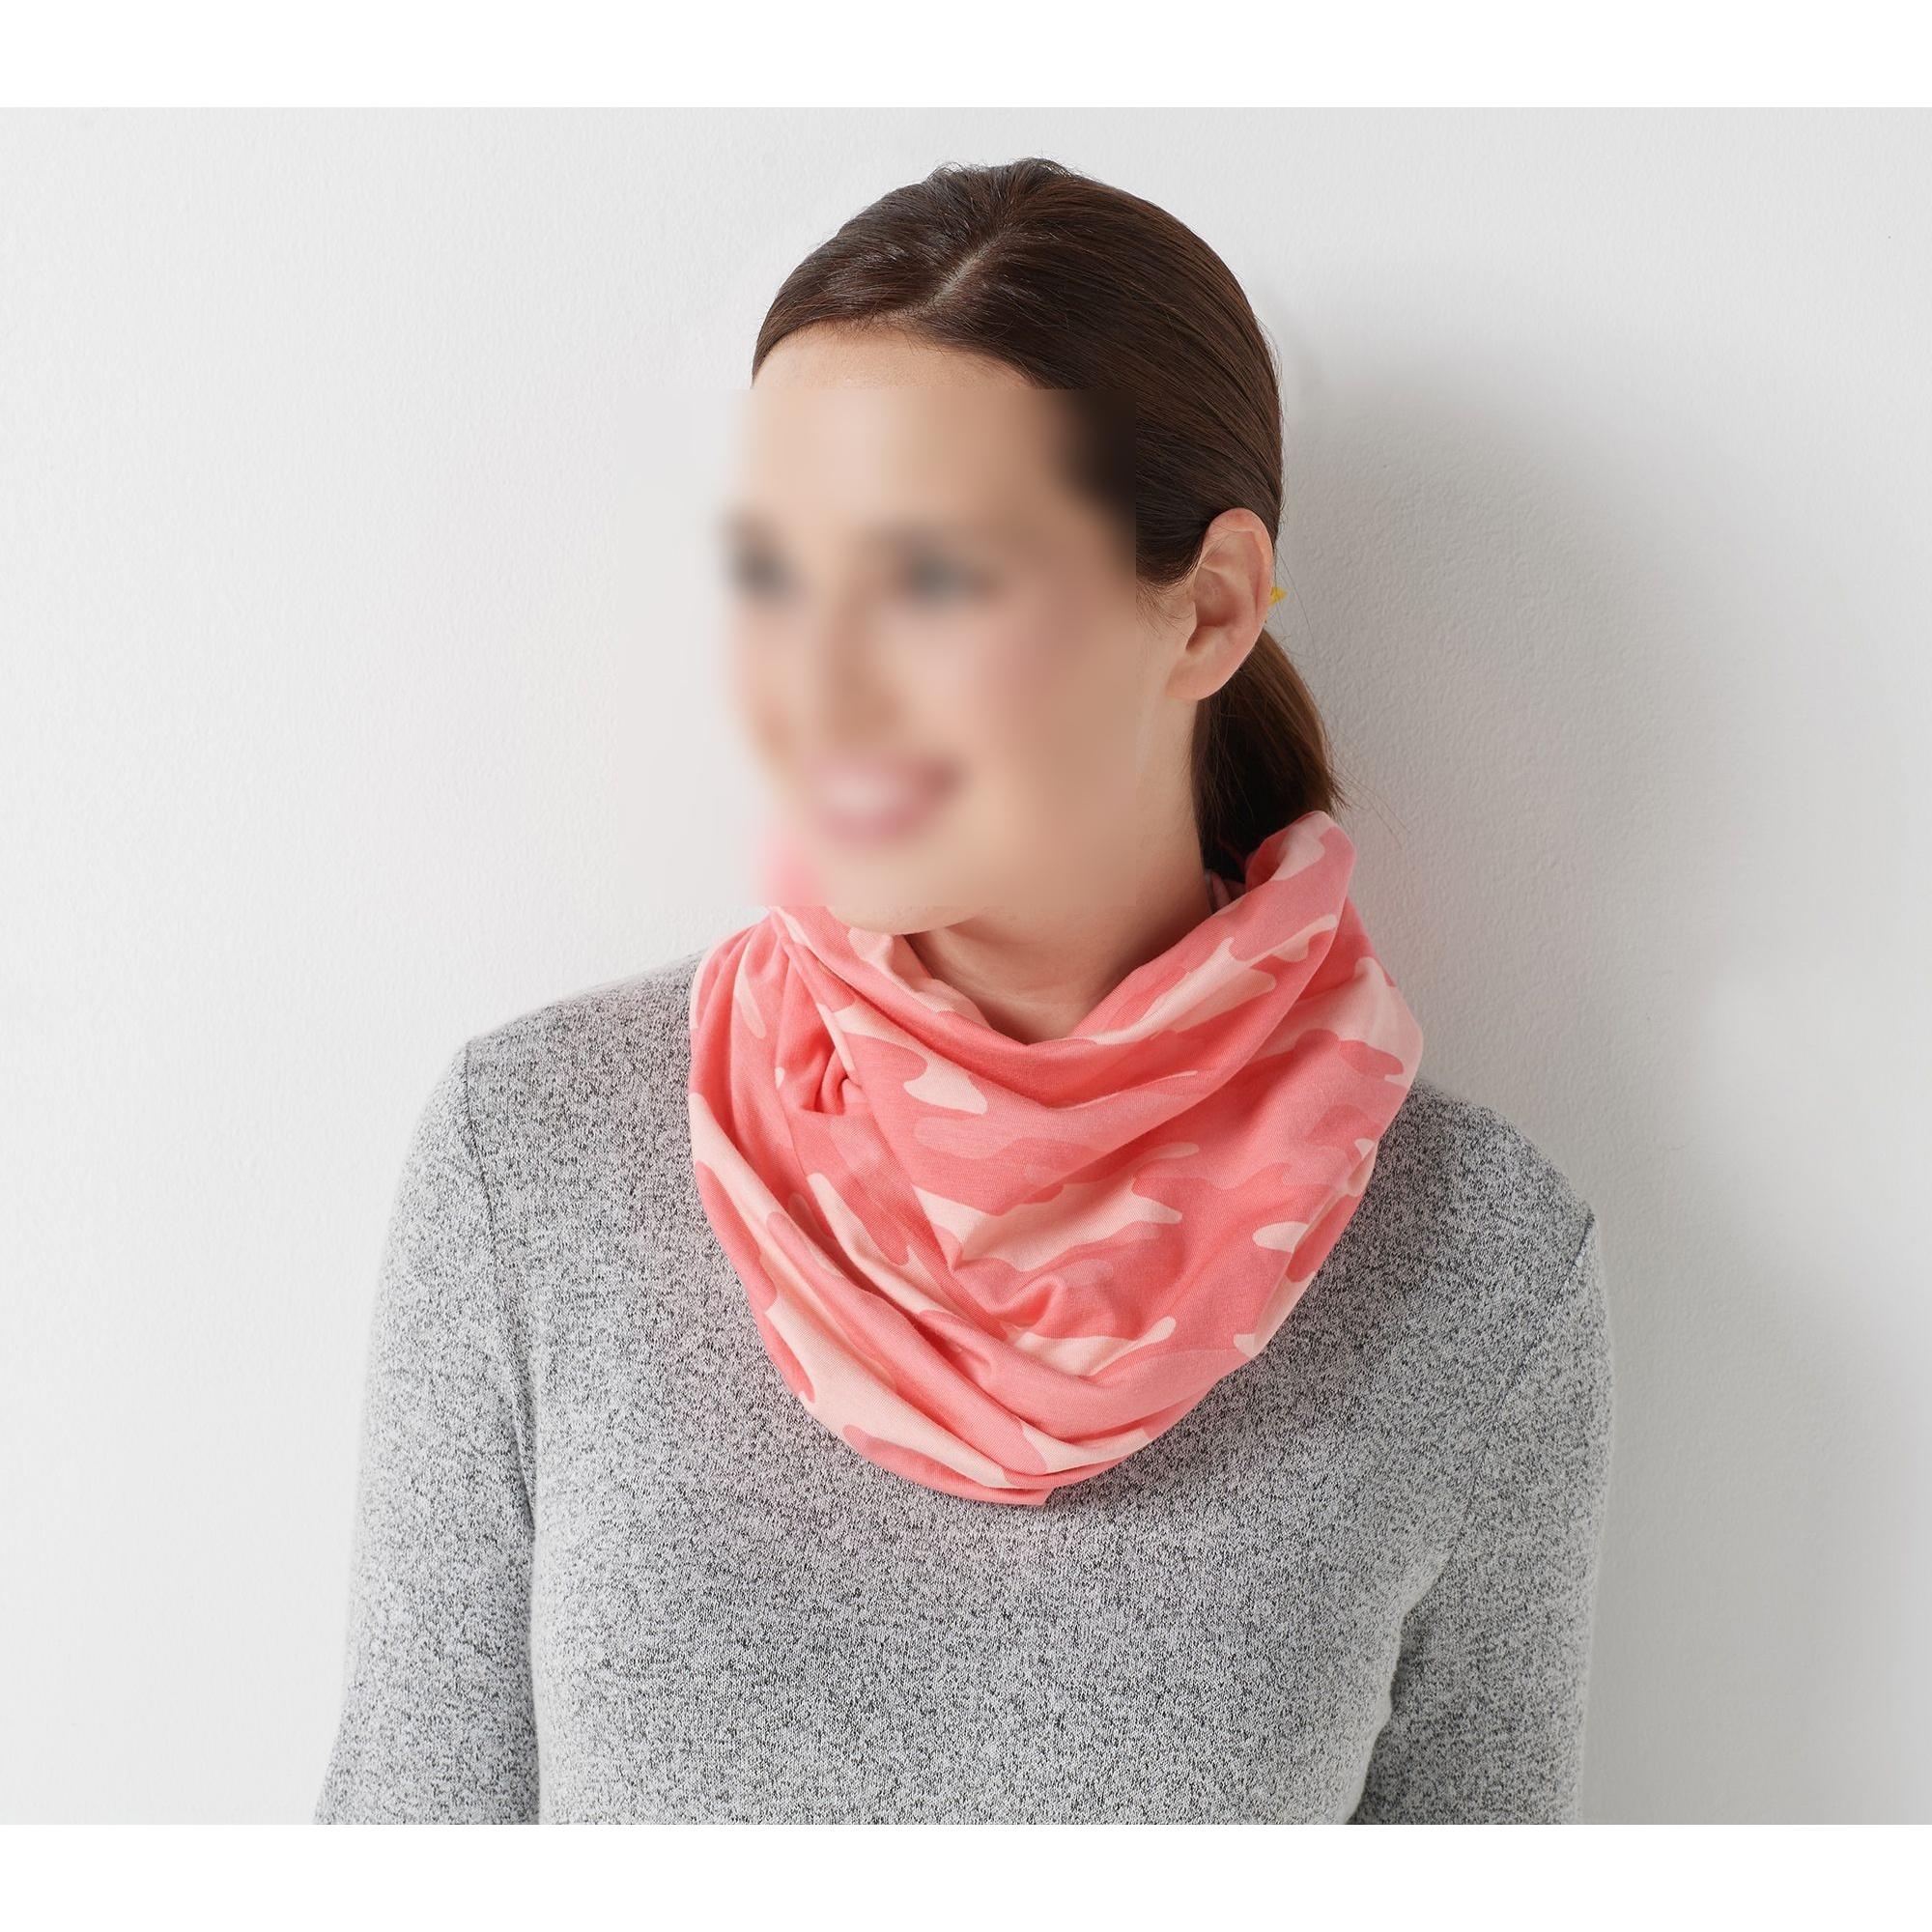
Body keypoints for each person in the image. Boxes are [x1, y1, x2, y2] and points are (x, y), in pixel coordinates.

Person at [313, 156, 1613, 1825]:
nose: (820, 692)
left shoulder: (1476, 1265)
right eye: (775, 577)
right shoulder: (539, 1156)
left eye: (931, 580)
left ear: (1210, 607)